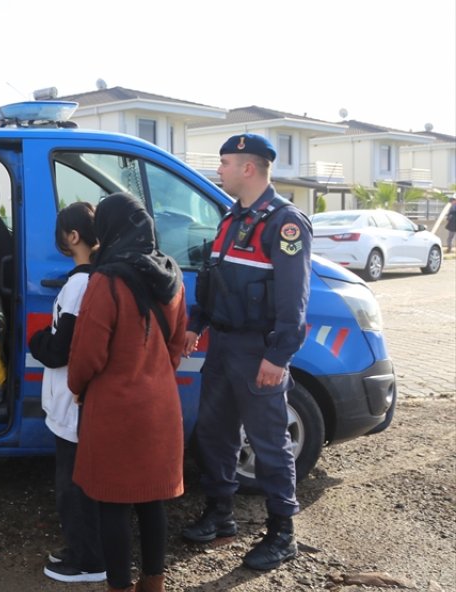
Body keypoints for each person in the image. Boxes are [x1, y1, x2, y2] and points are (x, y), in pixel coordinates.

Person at [181, 133, 313, 572]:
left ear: (248, 168)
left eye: (224, 163)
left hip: (259, 352)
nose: (218, 171)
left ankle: (282, 534)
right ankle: (220, 514)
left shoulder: (285, 223)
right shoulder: (230, 218)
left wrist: (279, 357)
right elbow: (214, 281)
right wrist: (196, 325)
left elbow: (294, 301)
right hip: (222, 345)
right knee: (214, 434)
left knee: (269, 444)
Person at [67, 192, 187, 592]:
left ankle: (119, 587)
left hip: (115, 409)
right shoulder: (171, 274)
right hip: (161, 405)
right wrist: (155, 374)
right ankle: (153, 583)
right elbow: (176, 343)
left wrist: (77, 387)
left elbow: (88, 353)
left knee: (112, 504)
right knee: (152, 500)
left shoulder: (106, 279)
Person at [27, 201, 104, 584]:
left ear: (72, 237)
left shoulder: (79, 284)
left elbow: (60, 347)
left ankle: (88, 559)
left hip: (71, 403)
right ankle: (87, 550)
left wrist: (35, 340)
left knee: (72, 486)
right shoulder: (98, 279)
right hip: (77, 402)